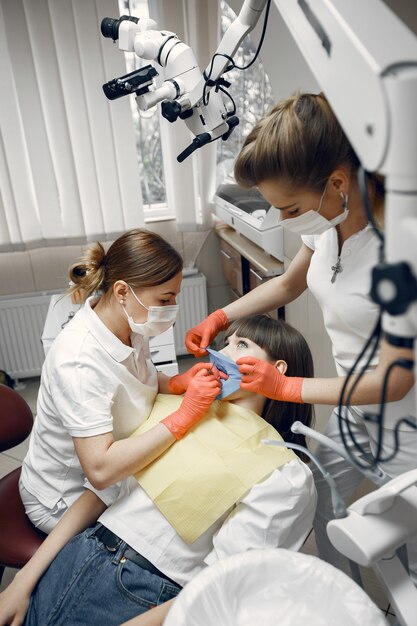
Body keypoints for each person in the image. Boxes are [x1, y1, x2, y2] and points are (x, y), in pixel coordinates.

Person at [185, 92, 416, 579]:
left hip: (408, 429)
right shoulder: (329, 219)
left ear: (337, 183)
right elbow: (290, 283)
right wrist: (220, 318)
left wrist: (285, 387)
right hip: (353, 409)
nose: (287, 223)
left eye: (290, 210)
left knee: (408, 554)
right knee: (320, 499)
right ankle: (343, 598)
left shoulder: (401, 249)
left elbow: (396, 381)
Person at [0, 315, 316, 626]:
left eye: (242, 344)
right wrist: (22, 582)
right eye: (225, 342)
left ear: (277, 371)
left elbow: (223, 583)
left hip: (143, 594)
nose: (221, 353)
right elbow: (99, 493)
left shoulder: (283, 472)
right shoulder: (177, 410)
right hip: (77, 554)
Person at [19, 228, 220, 533]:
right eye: (165, 300)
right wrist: (183, 416)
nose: (172, 313)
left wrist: (177, 383)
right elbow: (100, 470)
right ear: (123, 292)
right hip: (63, 500)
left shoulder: (129, 323)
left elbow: (137, 377)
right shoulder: (78, 360)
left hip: (103, 479)